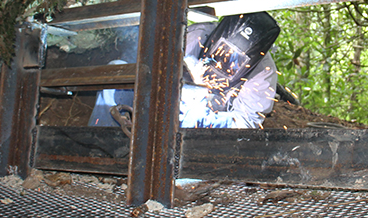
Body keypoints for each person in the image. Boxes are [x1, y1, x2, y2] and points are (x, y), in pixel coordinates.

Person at [89, 12, 281, 130]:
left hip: (208, 122)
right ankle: (101, 143)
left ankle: (175, 168)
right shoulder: (197, 35)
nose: (220, 66)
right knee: (117, 69)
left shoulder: (263, 73)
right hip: (164, 101)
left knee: (194, 111)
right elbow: (157, 71)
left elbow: (246, 123)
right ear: (215, 38)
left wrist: (207, 115)